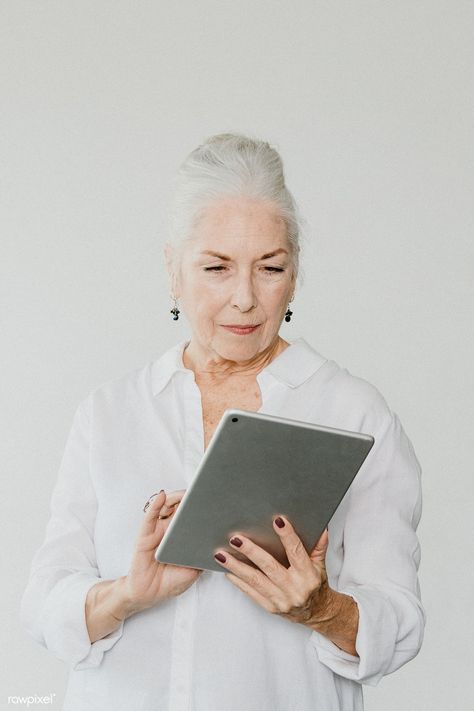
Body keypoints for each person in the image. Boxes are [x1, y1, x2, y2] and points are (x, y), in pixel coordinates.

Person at [20, 133, 425, 711]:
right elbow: (42, 606)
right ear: (173, 270)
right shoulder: (112, 411)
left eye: (270, 267)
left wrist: (320, 609)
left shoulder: (352, 412)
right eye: (216, 267)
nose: (244, 298)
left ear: (294, 273)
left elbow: (401, 621)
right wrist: (126, 596)